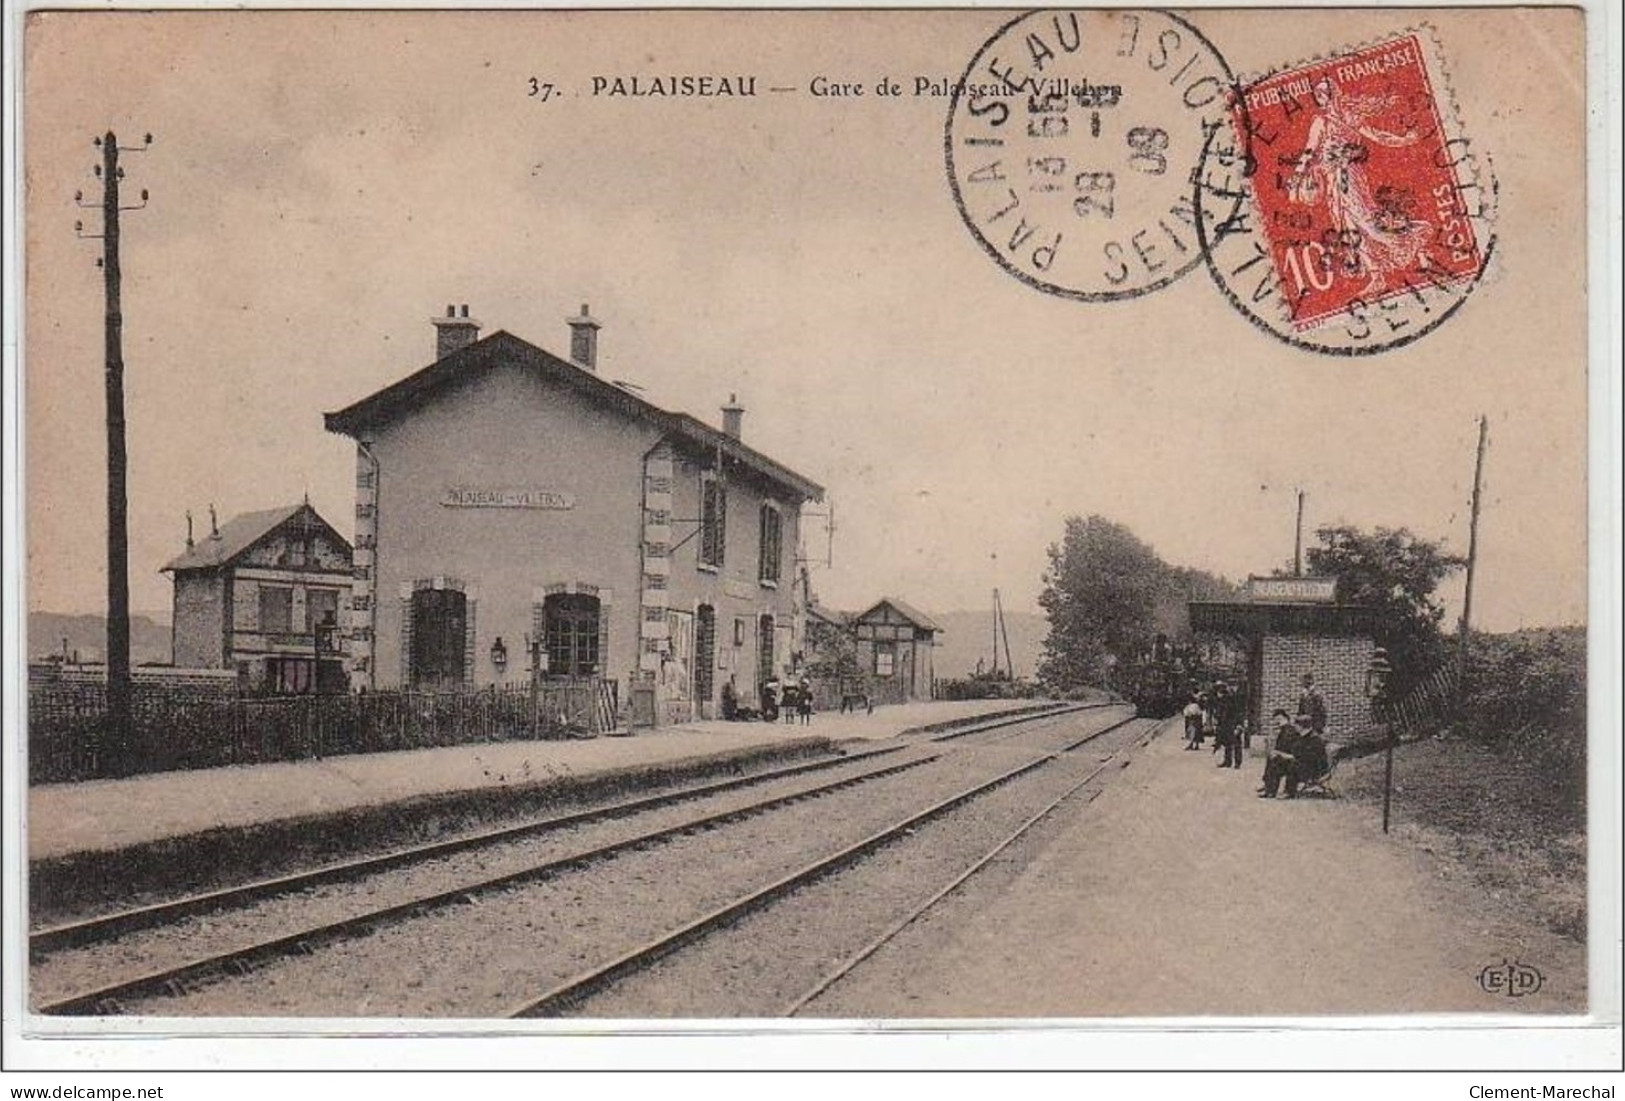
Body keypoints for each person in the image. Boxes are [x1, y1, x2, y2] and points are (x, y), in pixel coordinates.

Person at [1260, 712, 1330, 798]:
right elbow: (1297, 754)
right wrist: (1280, 754)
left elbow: (1306, 758)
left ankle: (1290, 792)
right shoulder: (1301, 737)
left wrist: (1285, 755)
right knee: (1275, 759)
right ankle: (1270, 790)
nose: (1295, 727)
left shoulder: (1314, 740)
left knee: (1292, 764)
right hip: (1303, 764)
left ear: (1302, 726)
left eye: (1296, 725)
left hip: (1313, 770)